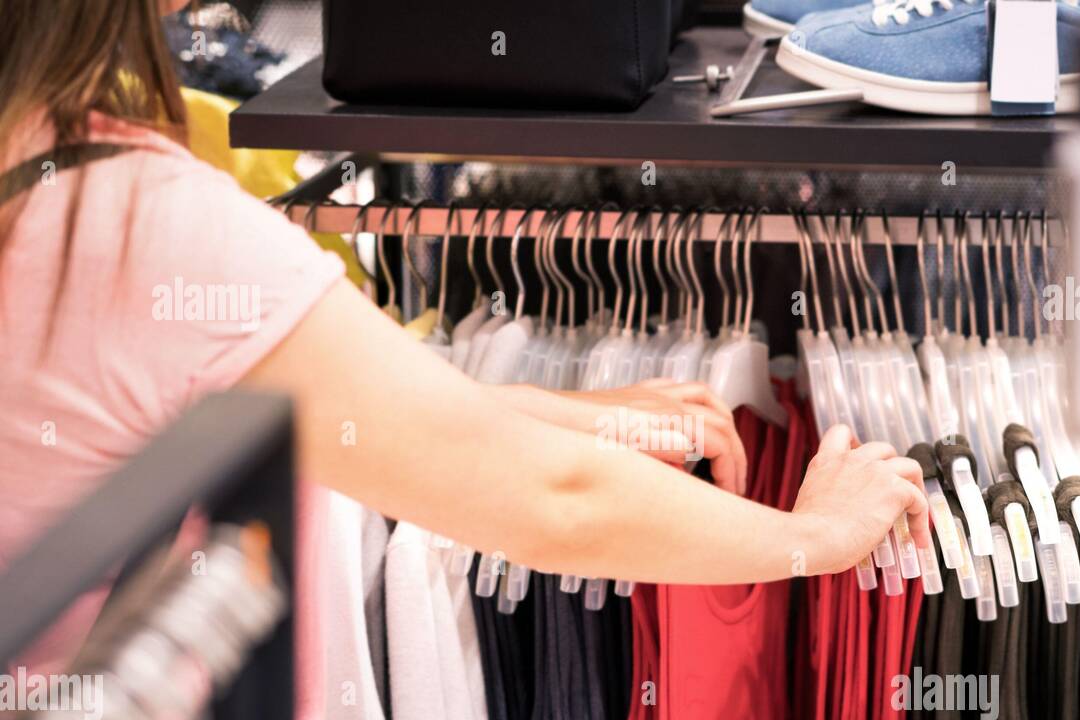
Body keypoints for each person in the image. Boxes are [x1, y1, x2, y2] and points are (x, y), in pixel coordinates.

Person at [0, 0, 930, 679]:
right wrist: (813, 535)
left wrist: (543, 409)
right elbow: (551, 503)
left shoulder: (46, 179)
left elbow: (236, 395)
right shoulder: (134, 220)